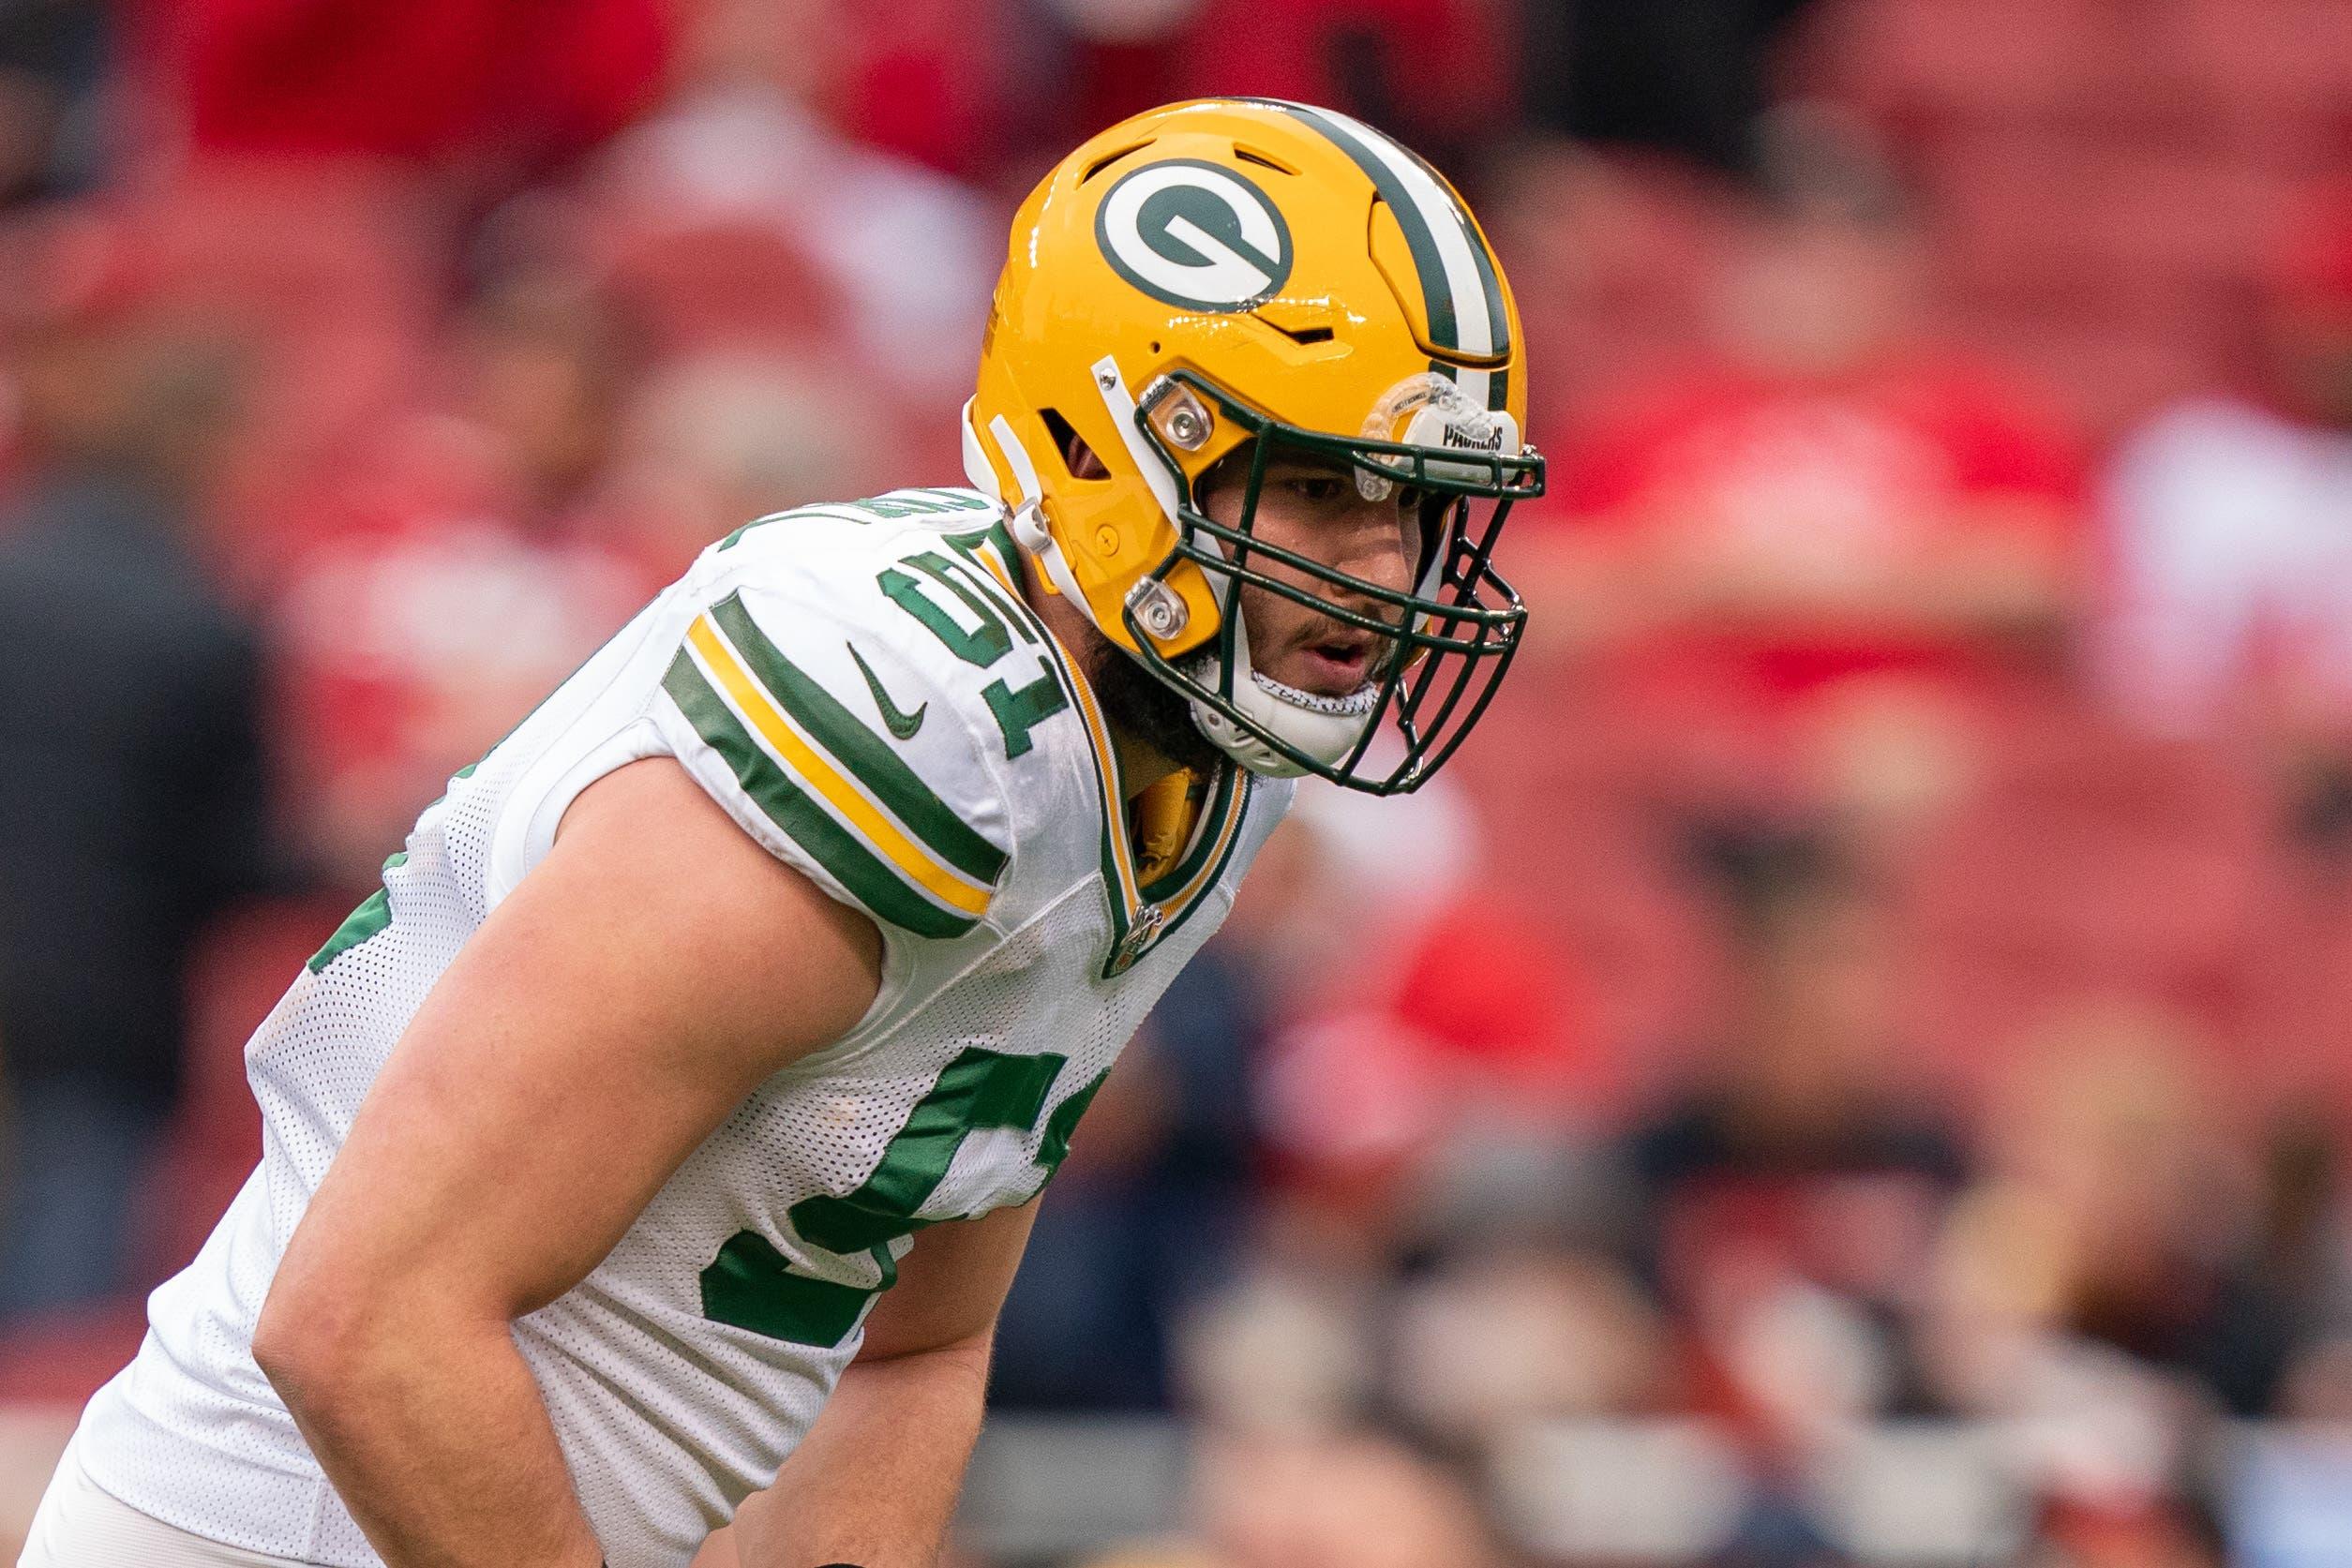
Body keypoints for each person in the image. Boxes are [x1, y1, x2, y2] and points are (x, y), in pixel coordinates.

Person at [18, 97, 1539, 1568]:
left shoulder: (1187, 760)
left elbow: (907, 1343)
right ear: (1117, 449)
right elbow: (364, 1320)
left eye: (1416, 501)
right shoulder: (906, 724)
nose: (1384, 564)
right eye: (1325, 487)